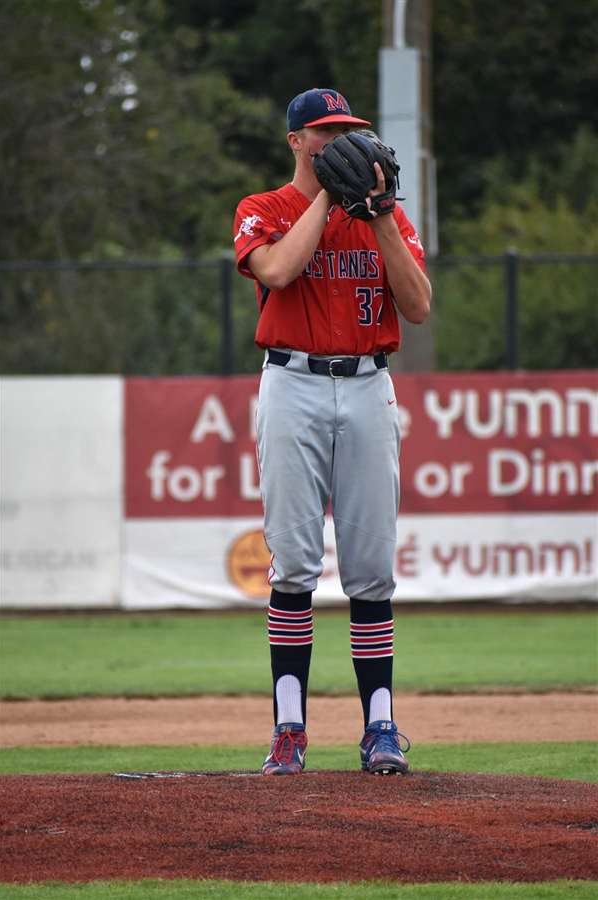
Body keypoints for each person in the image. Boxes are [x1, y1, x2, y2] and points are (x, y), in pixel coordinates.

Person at [233, 87, 431, 776]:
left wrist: (380, 216)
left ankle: (380, 727)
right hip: (293, 382)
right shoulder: (263, 208)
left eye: (346, 129)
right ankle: (289, 729)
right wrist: (328, 197)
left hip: (370, 381)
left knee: (371, 566)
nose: (338, 140)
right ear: (295, 140)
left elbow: (418, 306)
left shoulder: (384, 217)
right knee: (293, 562)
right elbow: (278, 270)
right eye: (323, 131)